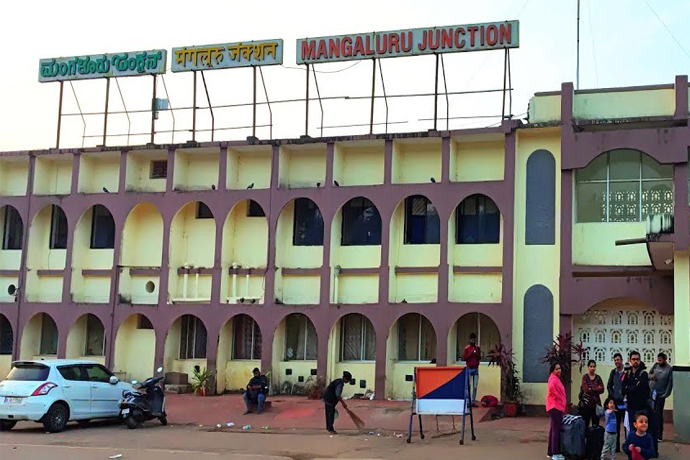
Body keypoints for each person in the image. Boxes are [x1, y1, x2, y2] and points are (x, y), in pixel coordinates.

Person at [649, 352, 673, 442]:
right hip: (652, 393)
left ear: (665, 360)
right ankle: (651, 432)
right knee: (651, 412)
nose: (659, 362)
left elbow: (670, 383)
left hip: (660, 394)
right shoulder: (655, 365)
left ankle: (659, 435)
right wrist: (652, 377)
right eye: (658, 360)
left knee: (658, 414)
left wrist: (665, 394)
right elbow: (648, 374)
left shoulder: (669, 369)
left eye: (661, 360)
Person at [607, 352, 627, 452]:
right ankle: (616, 447)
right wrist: (613, 396)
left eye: (618, 360)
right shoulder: (613, 372)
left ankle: (627, 446)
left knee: (626, 425)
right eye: (615, 360)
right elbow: (609, 386)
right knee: (616, 425)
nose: (616, 362)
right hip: (617, 403)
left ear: (621, 360)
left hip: (625, 403)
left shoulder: (627, 372)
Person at [546, 362, 566, 460]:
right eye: (556, 369)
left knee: (553, 430)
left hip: (555, 406)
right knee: (556, 430)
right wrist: (557, 397)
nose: (559, 370)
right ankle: (555, 453)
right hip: (555, 407)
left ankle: (550, 452)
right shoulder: (553, 379)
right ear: (553, 370)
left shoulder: (555, 379)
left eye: (559, 368)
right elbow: (551, 389)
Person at [579, 359, 604, 427]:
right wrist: (596, 388)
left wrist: (591, 389)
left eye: (594, 366)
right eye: (591, 366)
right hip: (586, 404)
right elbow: (586, 389)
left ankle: (594, 437)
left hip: (596, 404)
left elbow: (602, 389)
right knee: (585, 424)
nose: (592, 368)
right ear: (588, 367)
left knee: (595, 425)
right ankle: (586, 437)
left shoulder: (598, 377)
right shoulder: (585, 377)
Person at [463, 333, 481, 406]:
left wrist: (476, 354)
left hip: (476, 368)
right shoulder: (467, 348)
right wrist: (470, 353)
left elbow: (479, 357)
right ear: (469, 340)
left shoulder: (477, 348)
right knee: (468, 386)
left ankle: (473, 401)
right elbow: (465, 358)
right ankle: (468, 401)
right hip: (469, 368)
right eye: (472, 339)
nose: (473, 341)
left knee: (475, 386)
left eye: (474, 339)